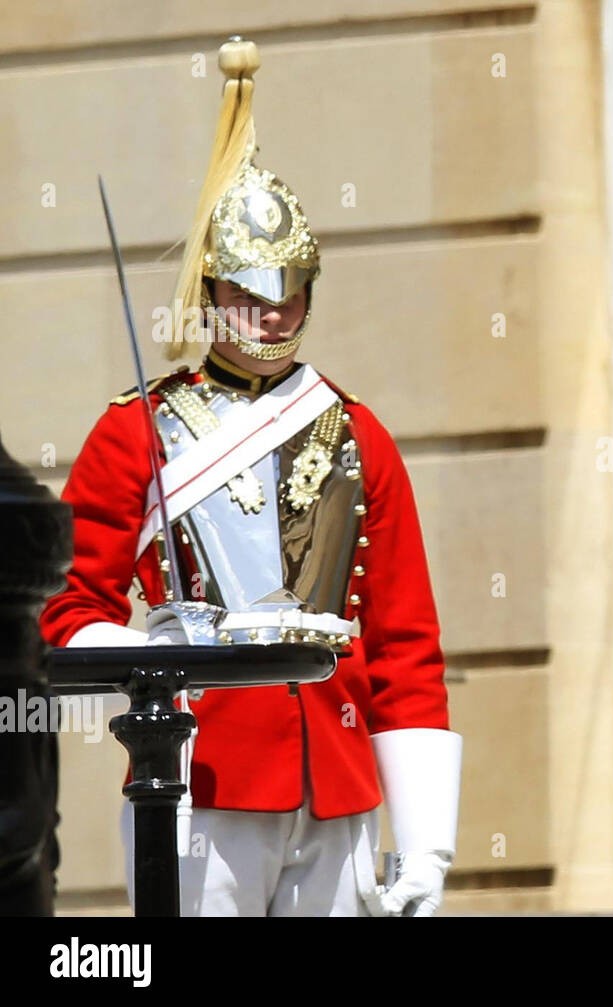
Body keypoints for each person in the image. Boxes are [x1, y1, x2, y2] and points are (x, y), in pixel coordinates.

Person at [39, 38, 462, 917]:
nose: (274, 309)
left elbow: (402, 642)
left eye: (291, 288)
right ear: (210, 290)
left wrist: (425, 836)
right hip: (201, 777)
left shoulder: (357, 430)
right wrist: (160, 655)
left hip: (339, 784)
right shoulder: (136, 429)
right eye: (250, 288)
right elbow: (67, 608)